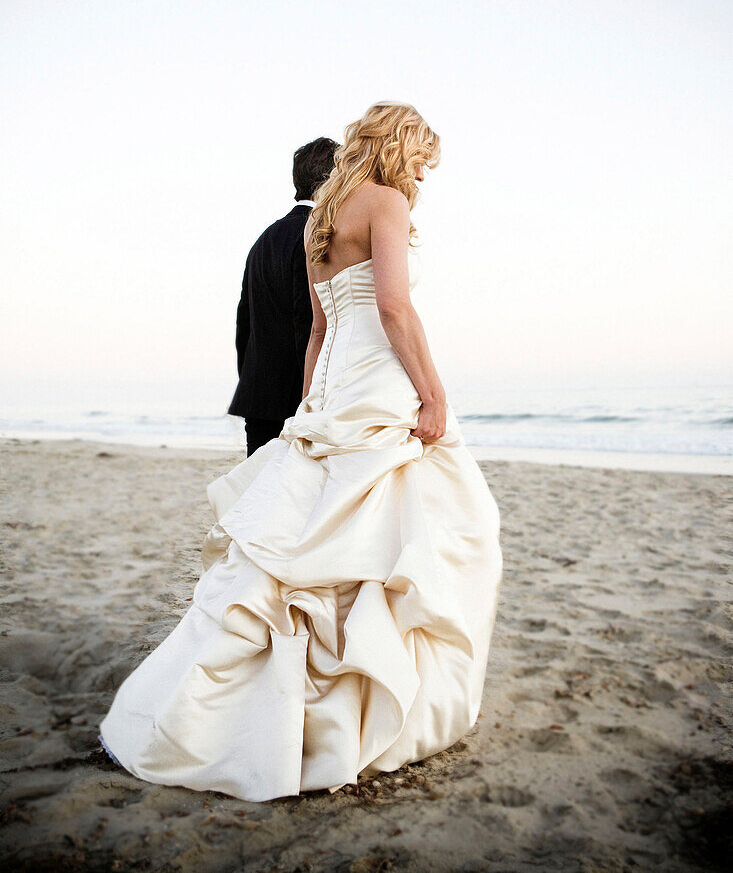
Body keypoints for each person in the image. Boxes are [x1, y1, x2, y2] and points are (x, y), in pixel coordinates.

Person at [99, 102, 503, 803]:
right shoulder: (382, 202)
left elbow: (319, 328)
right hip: (380, 382)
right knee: (446, 527)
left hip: (337, 384)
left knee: (323, 531)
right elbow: (394, 310)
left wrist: (311, 405)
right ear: (398, 145)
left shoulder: (324, 213)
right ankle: (384, 703)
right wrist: (432, 394)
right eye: (419, 160)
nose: (420, 176)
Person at [228, 137, 338, 455]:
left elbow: (243, 324)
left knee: (259, 497)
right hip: (296, 400)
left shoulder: (264, 239)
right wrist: (314, 398)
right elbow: (310, 321)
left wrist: (252, 379)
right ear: (333, 179)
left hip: (258, 395)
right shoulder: (316, 238)